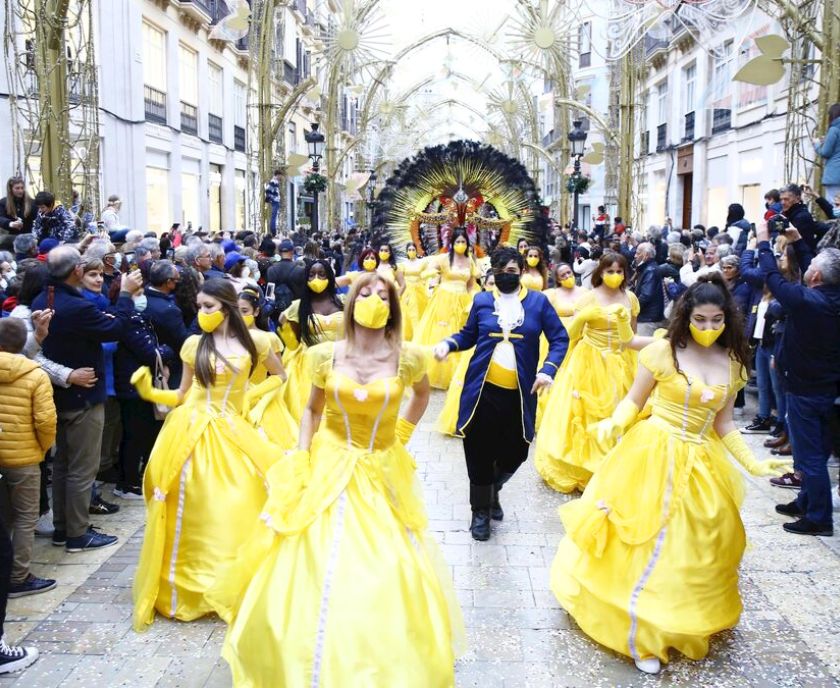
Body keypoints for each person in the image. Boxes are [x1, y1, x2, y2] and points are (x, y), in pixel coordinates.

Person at [208, 272, 463, 686]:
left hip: (380, 465)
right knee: (311, 553)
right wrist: (303, 452)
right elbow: (311, 409)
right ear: (352, 300)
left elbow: (420, 395)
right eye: (366, 292)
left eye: (383, 294)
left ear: (393, 306)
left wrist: (401, 434)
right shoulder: (324, 356)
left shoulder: (410, 356)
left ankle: (378, 650)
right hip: (330, 461)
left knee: (385, 560)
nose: (374, 300)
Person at [550, 274, 789, 675]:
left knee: (693, 543)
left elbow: (725, 424)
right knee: (643, 538)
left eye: (717, 321)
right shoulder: (664, 352)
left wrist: (752, 463)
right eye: (701, 319)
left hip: (701, 464)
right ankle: (640, 630)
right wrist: (614, 422)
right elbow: (633, 399)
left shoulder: (732, 362)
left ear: (727, 319)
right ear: (686, 316)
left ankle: (676, 617)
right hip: (651, 453)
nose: (709, 328)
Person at [130, 278, 286, 629]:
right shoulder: (191, 345)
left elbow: (280, 376)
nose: (202, 313)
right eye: (199, 306)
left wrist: (250, 398)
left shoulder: (256, 343)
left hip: (233, 431)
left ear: (227, 307)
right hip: (189, 432)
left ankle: (234, 580)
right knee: (190, 502)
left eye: (208, 307)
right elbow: (182, 395)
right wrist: (151, 392)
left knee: (238, 500)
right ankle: (187, 587)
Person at [434, 247, 569, 540]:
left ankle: (493, 488)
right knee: (478, 450)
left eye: (512, 270)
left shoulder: (538, 303)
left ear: (521, 272)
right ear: (492, 272)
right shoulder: (482, 301)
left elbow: (560, 338)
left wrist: (548, 369)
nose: (506, 276)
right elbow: (468, 335)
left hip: (520, 394)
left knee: (517, 450)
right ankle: (480, 512)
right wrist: (449, 344)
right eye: (501, 270)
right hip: (482, 391)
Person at [31, 246, 142, 551]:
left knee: (66, 464)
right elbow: (116, 328)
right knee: (82, 468)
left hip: (60, 394)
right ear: (76, 271)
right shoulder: (76, 307)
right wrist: (125, 296)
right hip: (82, 396)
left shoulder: (43, 299)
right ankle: (77, 534)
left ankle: (64, 528)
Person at [756, 222, 840, 536]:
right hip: (821, 386)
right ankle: (806, 500)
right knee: (812, 451)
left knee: (810, 456)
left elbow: (773, 278)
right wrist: (801, 243)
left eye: (812, 267)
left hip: (807, 389)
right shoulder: (828, 297)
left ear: (815, 277)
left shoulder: (807, 302)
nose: (809, 268)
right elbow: (818, 269)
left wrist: (765, 244)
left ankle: (818, 518)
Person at [535, 251, 640, 493]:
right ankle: (587, 467)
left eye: (619, 271)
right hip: (589, 360)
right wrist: (582, 317)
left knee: (622, 411)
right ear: (600, 272)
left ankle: (616, 467)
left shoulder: (630, 298)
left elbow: (631, 337)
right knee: (585, 414)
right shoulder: (587, 299)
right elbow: (569, 335)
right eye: (609, 271)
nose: (614, 275)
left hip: (622, 361)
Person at [0, 317, 57, 598]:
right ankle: (18, 576)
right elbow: (46, 421)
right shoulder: (35, 375)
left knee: (4, 518)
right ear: (23, 342)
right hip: (24, 457)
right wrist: (41, 449)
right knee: (25, 518)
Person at [112, 285, 176, 499]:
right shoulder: (131, 321)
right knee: (135, 435)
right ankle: (127, 483)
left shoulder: (140, 319)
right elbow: (150, 352)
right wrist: (168, 350)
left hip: (137, 383)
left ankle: (134, 478)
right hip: (134, 386)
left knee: (141, 433)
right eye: (137, 294)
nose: (143, 298)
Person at [278, 259, 345, 421]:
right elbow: (289, 335)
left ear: (329, 276)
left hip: (341, 362)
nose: (316, 278)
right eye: (311, 275)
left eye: (321, 274)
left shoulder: (343, 301)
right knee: (311, 410)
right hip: (309, 365)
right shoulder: (299, 306)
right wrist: (287, 330)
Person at [412, 227, 478, 389]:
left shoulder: (470, 261)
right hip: (444, 299)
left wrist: (473, 299)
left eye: (463, 241)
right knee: (440, 331)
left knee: (461, 332)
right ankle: (434, 371)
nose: (461, 244)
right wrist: (432, 276)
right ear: (452, 243)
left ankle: (457, 375)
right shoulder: (443, 259)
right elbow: (428, 271)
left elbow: (470, 285)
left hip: (463, 300)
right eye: (458, 241)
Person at [237, 286, 296, 450]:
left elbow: (278, 377)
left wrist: (261, 407)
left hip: (261, 397)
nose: (239, 316)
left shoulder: (269, 338)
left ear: (255, 312)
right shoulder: (228, 338)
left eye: (244, 310)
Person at [144, 260, 189, 387]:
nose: (179, 282)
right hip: (170, 367)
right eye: (177, 280)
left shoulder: (141, 297)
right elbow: (183, 341)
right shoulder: (169, 310)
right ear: (168, 282)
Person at [779, 183, 827, 252]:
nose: (782, 202)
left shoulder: (801, 217)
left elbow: (799, 244)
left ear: (798, 199)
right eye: (781, 199)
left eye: (786, 199)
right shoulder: (789, 213)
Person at [632, 242, 665, 336]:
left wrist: (633, 310)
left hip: (647, 319)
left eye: (638, 253)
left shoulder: (651, 270)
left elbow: (646, 295)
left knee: (642, 349)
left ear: (645, 255)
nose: (635, 256)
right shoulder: (647, 268)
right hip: (647, 316)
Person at [266, 238, 306, 315]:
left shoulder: (271, 270)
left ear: (279, 253)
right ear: (292, 252)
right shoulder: (300, 270)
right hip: (294, 310)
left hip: (277, 310)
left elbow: (269, 294)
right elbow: (303, 292)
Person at [399, 242, 428, 341]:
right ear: (407, 252)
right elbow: (400, 279)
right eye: (409, 250)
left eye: (413, 250)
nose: (411, 252)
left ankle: (419, 337)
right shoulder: (403, 264)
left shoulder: (421, 262)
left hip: (419, 291)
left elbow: (425, 276)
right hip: (407, 291)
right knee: (407, 314)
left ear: (416, 251)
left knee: (419, 313)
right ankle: (407, 336)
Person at [815, 103, 840, 202]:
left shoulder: (834, 129)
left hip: (834, 175)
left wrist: (816, 144)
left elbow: (825, 152)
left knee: (834, 207)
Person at [264, 168, 282, 236]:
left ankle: (273, 230)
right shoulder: (273, 181)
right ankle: (273, 231)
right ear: (277, 175)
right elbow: (268, 190)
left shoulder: (275, 181)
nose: (281, 177)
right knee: (274, 216)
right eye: (280, 175)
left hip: (275, 201)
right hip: (275, 201)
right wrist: (272, 198)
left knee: (274, 216)